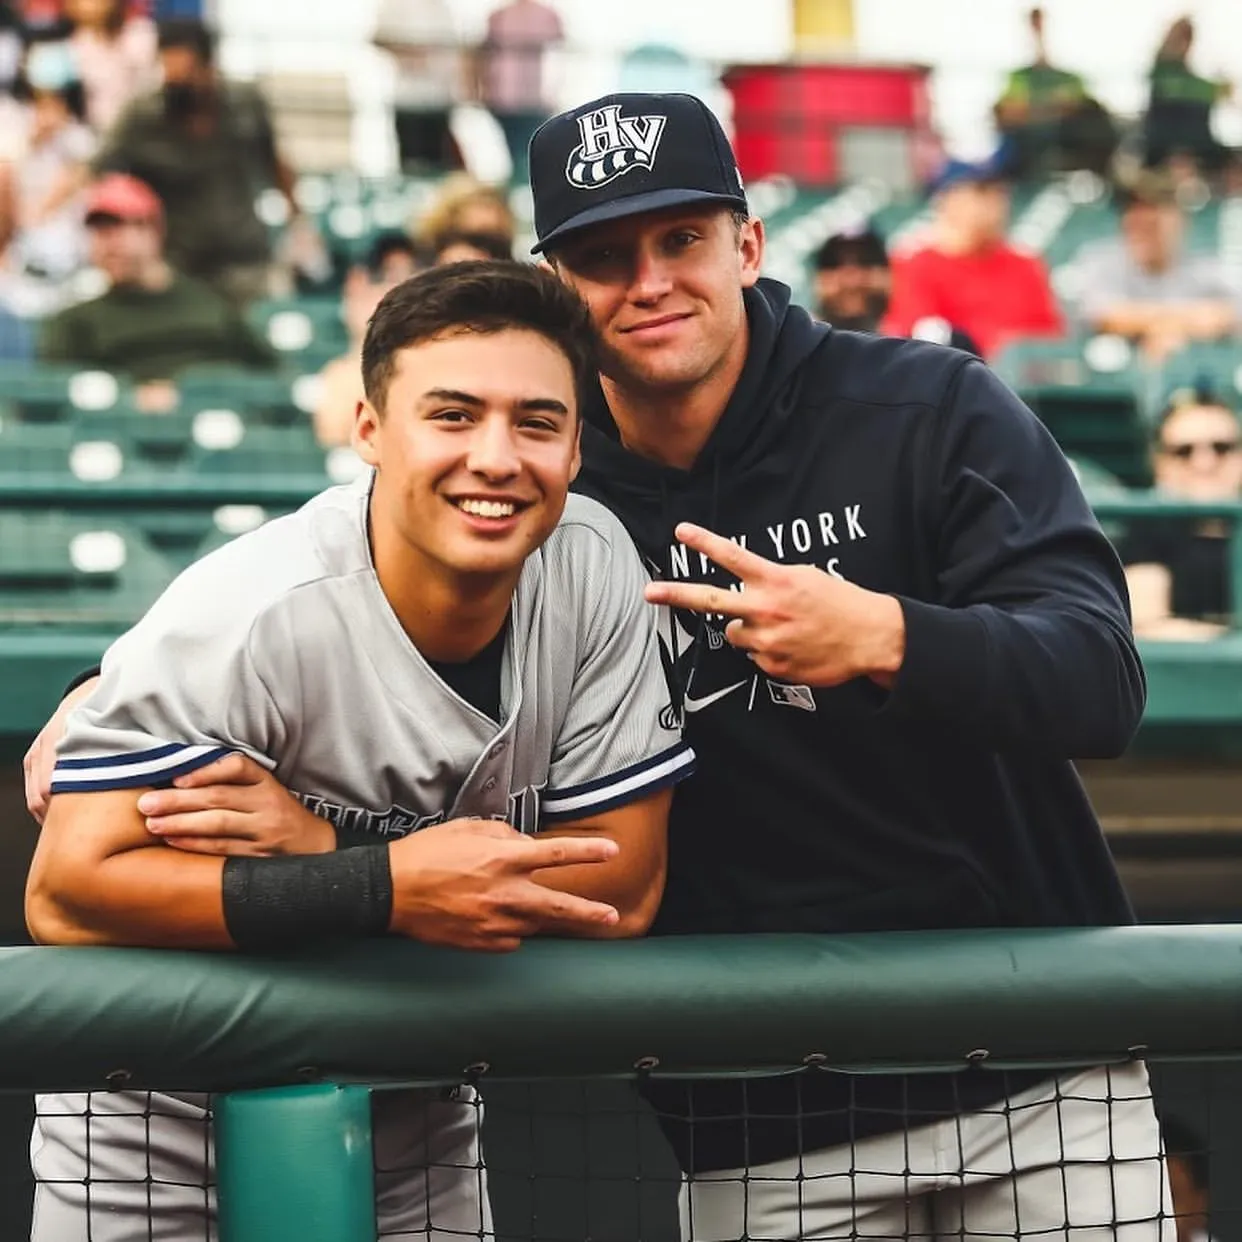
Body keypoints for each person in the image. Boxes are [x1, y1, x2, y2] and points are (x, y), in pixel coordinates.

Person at [26, 90, 1161, 1239]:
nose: (650, 282)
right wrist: (119, 697)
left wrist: (888, 636)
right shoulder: (538, 477)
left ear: (748, 246)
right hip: (765, 1103)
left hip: (1031, 1057)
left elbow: (1102, 684)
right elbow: (325, 580)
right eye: (605, 256)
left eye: (683, 239)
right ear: (558, 284)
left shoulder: (926, 406)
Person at [25, 259, 693, 1240]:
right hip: (161, 1119)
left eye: (536, 422)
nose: (497, 457)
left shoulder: (593, 569)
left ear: (576, 446)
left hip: (416, 1108)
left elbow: (619, 892)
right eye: (453, 415)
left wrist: (332, 853)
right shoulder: (253, 605)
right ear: (370, 430)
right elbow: (67, 892)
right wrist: (384, 886)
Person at [90, 17, 317, 306]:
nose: (179, 85)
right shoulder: (142, 116)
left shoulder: (246, 103)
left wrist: (299, 222)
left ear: (208, 67)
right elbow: (98, 172)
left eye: (187, 74)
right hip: (178, 263)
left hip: (246, 259)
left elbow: (276, 162)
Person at [38, 172, 276, 411]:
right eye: (99, 233)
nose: (109, 245)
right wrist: (130, 398)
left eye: (117, 229)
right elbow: (51, 399)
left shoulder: (210, 303)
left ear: (153, 231)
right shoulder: (77, 323)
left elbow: (269, 376)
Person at [881, 149, 1065, 359]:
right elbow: (918, 348)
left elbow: (1049, 342)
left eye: (1000, 191)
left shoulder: (1026, 264)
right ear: (946, 199)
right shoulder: (913, 265)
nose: (995, 203)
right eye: (981, 191)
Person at [1072, 172, 1242, 363]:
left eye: (1153, 215)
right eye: (1134, 213)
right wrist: (1175, 325)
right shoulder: (1100, 260)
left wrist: (1160, 328)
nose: (1141, 222)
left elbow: (1230, 314)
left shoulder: (1207, 268)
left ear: (1178, 220)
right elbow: (1104, 315)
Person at [1119, 386, 1242, 641]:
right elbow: (1146, 627)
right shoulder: (1146, 532)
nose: (1204, 463)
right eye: (1183, 452)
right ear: (1160, 463)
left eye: (1221, 448)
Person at [312, 230, 424, 448]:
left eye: (408, 276)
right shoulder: (340, 373)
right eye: (387, 276)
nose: (399, 290)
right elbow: (333, 433)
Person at [812, 224, 981, 353]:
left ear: (890, 275)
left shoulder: (928, 347)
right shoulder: (798, 348)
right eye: (834, 264)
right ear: (816, 279)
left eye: (867, 263)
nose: (853, 280)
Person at [992, 7, 1116, 179]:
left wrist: (1036, 110)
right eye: (1035, 25)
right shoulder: (1018, 77)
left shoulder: (1072, 78)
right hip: (1027, 154)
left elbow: (1081, 107)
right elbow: (1007, 114)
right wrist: (1052, 109)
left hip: (1068, 145)